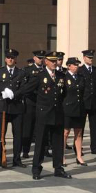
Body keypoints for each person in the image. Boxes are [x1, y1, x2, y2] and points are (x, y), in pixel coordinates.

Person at [18, 51, 70, 180]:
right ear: (46, 61)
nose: (54, 63)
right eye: (52, 61)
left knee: (58, 143)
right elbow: (27, 90)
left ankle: (58, 168)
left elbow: (64, 93)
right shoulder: (40, 75)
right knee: (40, 142)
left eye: (55, 61)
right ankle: (36, 169)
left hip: (57, 113)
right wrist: (39, 102)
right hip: (44, 113)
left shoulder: (61, 75)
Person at [0, 49, 25, 168]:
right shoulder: (0, 71)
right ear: (5, 59)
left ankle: (17, 159)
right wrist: (3, 91)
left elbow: (23, 88)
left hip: (17, 107)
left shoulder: (21, 72)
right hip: (3, 107)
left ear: (15, 59)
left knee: (18, 135)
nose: (10, 59)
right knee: (0, 134)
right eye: (8, 57)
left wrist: (14, 94)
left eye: (13, 57)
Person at [63, 57, 86, 166]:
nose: (77, 67)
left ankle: (79, 156)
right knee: (65, 133)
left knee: (78, 132)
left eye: (77, 65)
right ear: (69, 66)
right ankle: (62, 156)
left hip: (79, 108)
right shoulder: (64, 77)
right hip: (67, 108)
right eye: (74, 65)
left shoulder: (81, 77)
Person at [21, 50, 45, 159]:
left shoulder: (45, 70)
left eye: (42, 58)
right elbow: (24, 86)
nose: (40, 60)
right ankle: (25, 150)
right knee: (28, 127)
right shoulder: (28, 70)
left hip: (42, 102)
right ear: (34, 58)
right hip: (30, 102)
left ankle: (42, 150)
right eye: (39, 57)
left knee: (41, 128)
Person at [78, 50, 96, 155]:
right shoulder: (80, 70)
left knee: (94, 126)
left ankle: (94, 147)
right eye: (88, 57)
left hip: (94, 102)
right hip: (83, 101)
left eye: (92, 57)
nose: (90, 59)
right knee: (80, 127)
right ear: (84, 58)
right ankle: (78, 147)